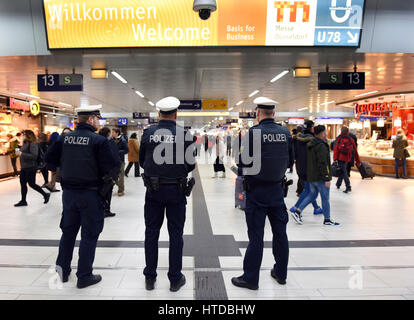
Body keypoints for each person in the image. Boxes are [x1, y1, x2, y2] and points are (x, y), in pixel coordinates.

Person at [45, 105, 120, 289]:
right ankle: (84, 275)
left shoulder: (64, 138)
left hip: (69, 194)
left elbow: (49, 160)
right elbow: (112, 167)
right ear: (91, 119)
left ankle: (62, 271)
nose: (98, 122)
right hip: (91, 194)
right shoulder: (99, 141)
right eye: (98, 119)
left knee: (68, 232)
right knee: (89, 234)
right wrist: (105, 187)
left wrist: (64, 169)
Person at [232, 97, 293, 290]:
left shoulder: (254, 133)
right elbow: (290, 161)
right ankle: (280, 273)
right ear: (273, 113)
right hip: (277, 190)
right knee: (280, 234)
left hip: (257, 191)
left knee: (256, 236)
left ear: (258, 113)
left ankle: (251, 279)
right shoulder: (285, 133)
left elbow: (243, 161)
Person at [140, 96, 196, 292]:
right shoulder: (185, 135)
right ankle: (174, 278)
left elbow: (141, 162)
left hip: (153, 191)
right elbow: (191, 165)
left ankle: (150, 277)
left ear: (158, 114)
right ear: (176, 114)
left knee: (151, 233)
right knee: (176, 235)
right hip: (177, 192)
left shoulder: (148, 133)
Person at [290, 125, 340, 226]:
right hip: (320, 176)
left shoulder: (311, 144)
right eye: (325, 132)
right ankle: (327, 219)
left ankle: (297, 211)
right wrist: (326, 177)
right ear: (321, 133)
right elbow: (323, 163)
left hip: (311, 175)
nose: (326, 134)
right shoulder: (321, 145)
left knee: (312, 195)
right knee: (325, 198)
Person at [14, 130, 50, 207]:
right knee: (23, 184)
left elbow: (34, 156)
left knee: (32, 184)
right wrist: (19, 151)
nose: (22, 136)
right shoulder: (24, 143)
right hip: (24, 167)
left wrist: (21, 154)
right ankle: (23, 201)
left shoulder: (33, 143)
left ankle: (45, 194)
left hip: (31, 167)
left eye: (24, 134)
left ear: (28, 135)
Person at [98, 127, 121, 218]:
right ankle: (106, 210)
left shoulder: (97, 141)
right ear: (108, 133)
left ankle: (100, 209)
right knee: (107, 192)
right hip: (109, 172)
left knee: (101, 192)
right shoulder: (110, 143)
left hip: (99, 172)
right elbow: (115, 158)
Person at [333, 126, 361, 193]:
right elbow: (355, 151)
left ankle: (348, 187)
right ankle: (338, 184)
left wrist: (335, 158)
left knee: (344, 172)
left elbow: (336, 149)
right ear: (348, 132)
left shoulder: (339, 138)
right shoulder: (351, 139)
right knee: (343, 170)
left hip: (340, 158)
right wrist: (358, 160)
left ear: (341, 131)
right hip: (347, 158)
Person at [112, 128, 129, 196]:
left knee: (121, 176)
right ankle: (120, 186)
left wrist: (118, 152)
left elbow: (127, 150)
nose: (112, 133)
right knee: (112, 176)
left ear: (117, 133)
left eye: (113, 132)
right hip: (112, 161)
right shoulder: (111, 140)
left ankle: (121, 189)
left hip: (120, 161)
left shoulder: (123, 140)